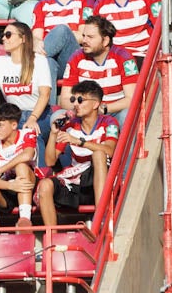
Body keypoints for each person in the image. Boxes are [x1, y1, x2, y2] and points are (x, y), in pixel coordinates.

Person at [37, 80, 119, 227]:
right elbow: (50, 161)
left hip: (98, 178)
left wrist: (79, 141)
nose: (75, 104)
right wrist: (54, 134)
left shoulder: (109, 122)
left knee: (98, 154)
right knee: (45, 185)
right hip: (77, 182)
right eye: (73, 99)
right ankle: (52, 239)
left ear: (95, 104)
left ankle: (101, 220)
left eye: (81, 100)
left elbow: (110, 150)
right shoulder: (70, 125)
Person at [0, 23, 53, 134]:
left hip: (38, 113)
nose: (4, 38)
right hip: (12, 114)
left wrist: (33, 118)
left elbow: (45, 94)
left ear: (23, 38)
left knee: (30, 133)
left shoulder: (39, 60)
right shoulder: (0, 62)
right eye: (3, 35)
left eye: (8, 34)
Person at [0, 103, 37, 228]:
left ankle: (24, 220)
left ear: (14, 125)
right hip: (6, 188)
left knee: (21, 166)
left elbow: (27, 155)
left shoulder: (27, 134)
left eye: (0, 125)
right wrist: (10, 185)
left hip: (30, 186)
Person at [34, 0, 91, 82]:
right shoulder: (41, 5)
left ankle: (29, 66)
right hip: (49, 58)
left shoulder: (86, 2)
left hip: (74, 58)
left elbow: (83, 36)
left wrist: (60, 36)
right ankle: (49, 102)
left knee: (62, 30)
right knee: (48, 64)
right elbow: (36, 37)